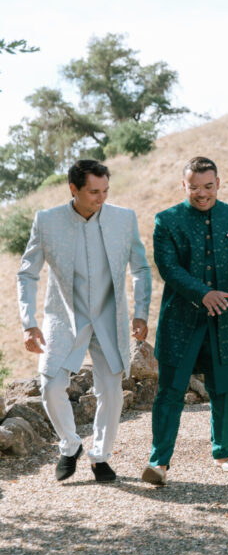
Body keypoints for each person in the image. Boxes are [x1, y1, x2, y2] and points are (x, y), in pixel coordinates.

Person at [142, 157, 228, 486]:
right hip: (181, 321)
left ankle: (223, 453)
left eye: (208, 186)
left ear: (218, 184)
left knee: (226, 388)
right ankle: (158, 463)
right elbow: (168, 268)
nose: (201, 193)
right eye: (194, 187)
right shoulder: (167, 221)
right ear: (184, 186)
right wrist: (202, 293)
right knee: (170, 390)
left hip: (226, 321)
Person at [17, 160, 151, 482]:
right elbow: (27, 273)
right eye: (93, 192)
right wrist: (28, 322)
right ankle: (70, 445)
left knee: (113, 393)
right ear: (74, 189)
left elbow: (141, 269)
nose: (101, 198)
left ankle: (100, 457)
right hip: (64, 319)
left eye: (105, 191)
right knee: (50, 386)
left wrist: (141, 312)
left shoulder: (124, 218)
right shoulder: (46, 221)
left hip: (110, 318)